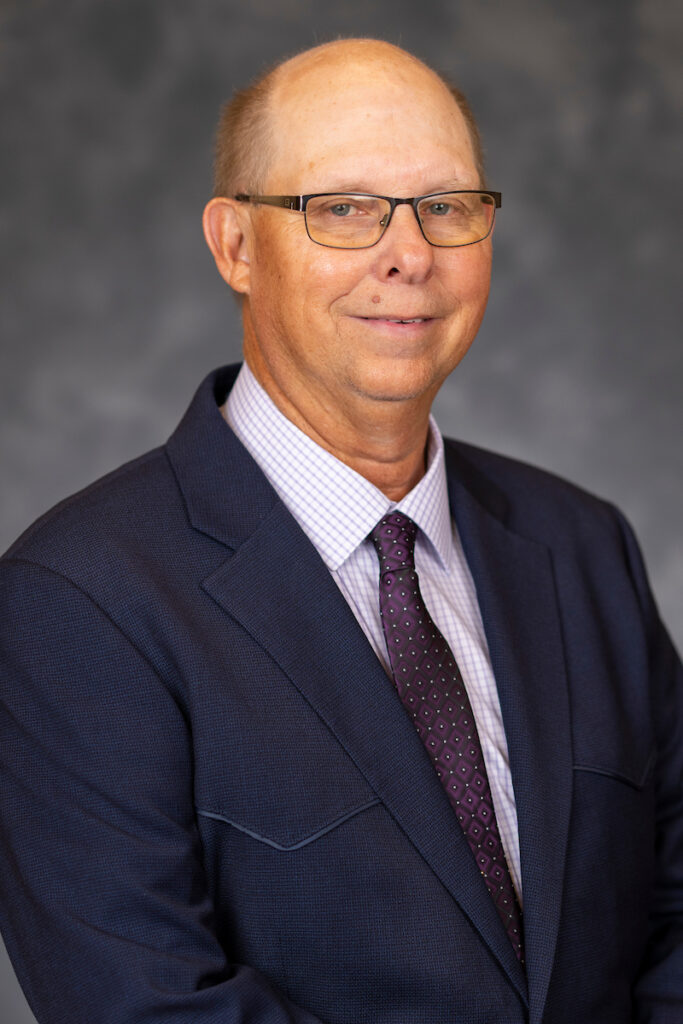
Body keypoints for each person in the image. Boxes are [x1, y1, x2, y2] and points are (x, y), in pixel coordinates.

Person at [0, 37, 681, 1024]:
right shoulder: (78, 598)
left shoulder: (582, 548)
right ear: (236, 246)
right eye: (345, 209)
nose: (407, 255)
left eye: (444, 207)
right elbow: (148, 1008)